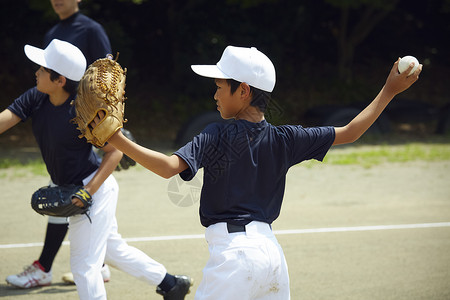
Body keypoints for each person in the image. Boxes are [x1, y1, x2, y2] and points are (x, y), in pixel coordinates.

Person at [94, 45, 422, 299]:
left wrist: (116, 138)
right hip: (273, 259)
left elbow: (168, 168)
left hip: (234, 257)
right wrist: (389, 90)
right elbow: (351, 131)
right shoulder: (287, 138)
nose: (215, 93)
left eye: (220, 85)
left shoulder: (217, 133)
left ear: (244, 90)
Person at [1, 39, 192, 300]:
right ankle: (171, 284)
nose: (36, 72)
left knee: (84, 266)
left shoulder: (84, 109)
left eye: (43, 69)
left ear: (59, 81)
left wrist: (88, 192)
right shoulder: (37, 97)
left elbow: (115, 151)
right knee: (110, 250)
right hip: (76, 188)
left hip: (93, 189)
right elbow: (5, 119)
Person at [5, 0, 114, 287]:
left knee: (68, 189)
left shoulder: (91, 29)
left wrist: (110, 124)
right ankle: (157, 278)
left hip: (82, 121)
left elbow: (106, 75)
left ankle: (46, 266)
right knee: (70, 197)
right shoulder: (53, 33)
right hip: (62, 115)